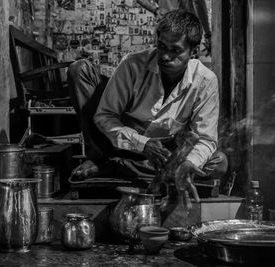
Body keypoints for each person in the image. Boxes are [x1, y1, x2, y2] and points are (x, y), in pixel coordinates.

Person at [68, 10, 227, 202]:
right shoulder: (133, 65)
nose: (165, 56)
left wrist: (188, 163)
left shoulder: (205, 80)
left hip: (166, 153)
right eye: (161, 46)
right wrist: (142, 144)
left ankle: (114, 167)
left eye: (175, 50)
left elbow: (206, 139)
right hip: (119, 143)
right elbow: (104, 116)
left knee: (219, 163)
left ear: (193, 51)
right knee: (79, 69)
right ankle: (110, 161)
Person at [137, 0, 212, 56]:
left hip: (164, 29)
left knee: (162, 65)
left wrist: (155, 10)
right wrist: (207, 34)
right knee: (185, 70)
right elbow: (198, 3)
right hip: (185, 30)